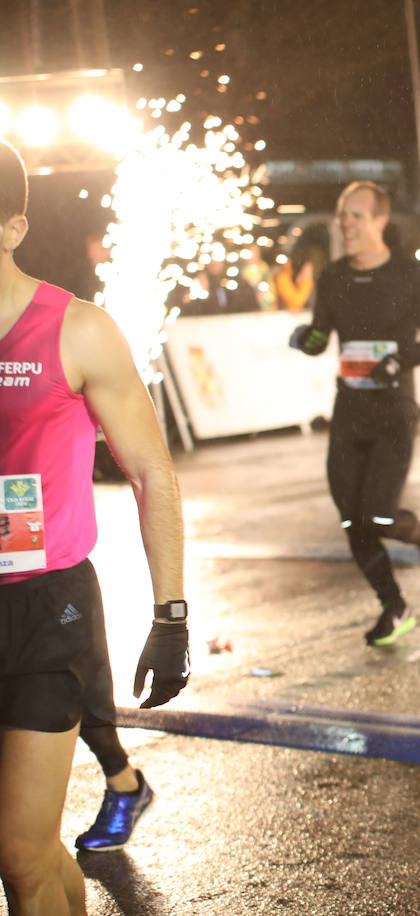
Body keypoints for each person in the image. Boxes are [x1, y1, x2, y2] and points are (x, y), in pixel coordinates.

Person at [0, 139, 190, 913]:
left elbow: (151, 473)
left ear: (13, 228)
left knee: (18, 855)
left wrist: (170, 616)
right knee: (30, 850)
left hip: (48, 609)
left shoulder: (76, 330)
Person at [288, 181, 420, 646]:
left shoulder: (409, 274)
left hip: (393, 412)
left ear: (380, 220)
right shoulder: (334, 276)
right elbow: (320, 337)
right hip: (349, 412)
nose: (346, 224)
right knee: (350, 518)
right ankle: (394, 606)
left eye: (356, 215)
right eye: (342, 215)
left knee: (378, 515)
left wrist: (398, 360)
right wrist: (304, 339)